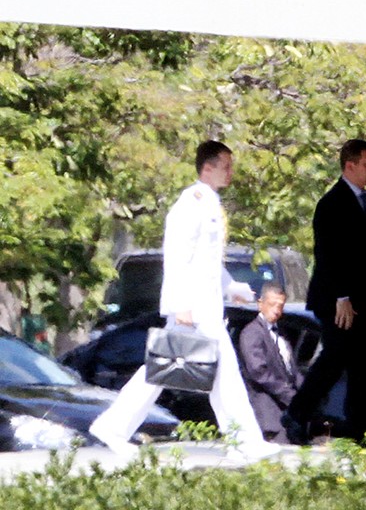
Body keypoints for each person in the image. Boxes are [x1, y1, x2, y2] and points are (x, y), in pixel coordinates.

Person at [90, 140, 280, 461]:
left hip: (205, 306)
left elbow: (208, 261)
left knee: (169, 370)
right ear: (208, 167)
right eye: (226, 166)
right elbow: (177, 256)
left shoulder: (208, 203)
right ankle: (244, 443)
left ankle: (113, 426)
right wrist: (179, 306)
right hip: (192, 308)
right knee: (173, 369)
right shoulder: (190, 203)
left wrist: (233, 288)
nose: (231, 172)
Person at [282, 139, 366, 444]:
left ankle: (360, 432)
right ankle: (297, 412)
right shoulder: (333, 203)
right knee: (336, 358)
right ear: (350, 166)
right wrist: (341, 296)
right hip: (339, 299)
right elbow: (331, 253)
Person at [238, 282, 303, 444]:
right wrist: (290, 396)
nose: (276, 310)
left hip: (288, 415)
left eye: (280, 306)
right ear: (261, 304)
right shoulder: (252, 333)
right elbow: (259, 372)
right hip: (269, 416)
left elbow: (292, 371)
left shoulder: (281, 334)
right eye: (272, 304)